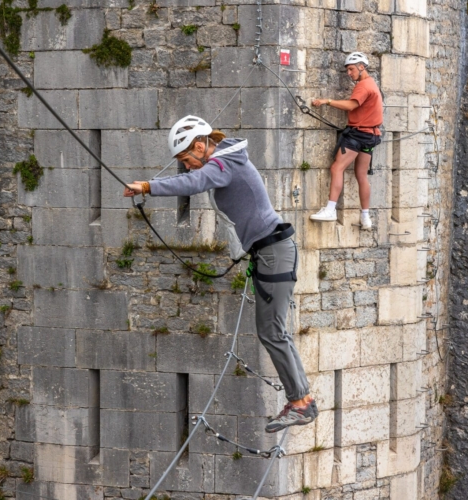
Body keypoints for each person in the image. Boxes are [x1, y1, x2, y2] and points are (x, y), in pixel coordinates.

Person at [124, 115, 317, 433]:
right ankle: (303, 400)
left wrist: (147, 186)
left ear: (200, 147)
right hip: (272, 252)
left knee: (272, 332)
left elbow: (192, 184)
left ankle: (300, 403)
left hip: (273, 253)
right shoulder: (228, 158)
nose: (186, 167)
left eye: (186, 159)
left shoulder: (222, 164)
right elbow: (195, 177)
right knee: (274, 331)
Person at [309, 52, 384, 229]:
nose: (349, 73)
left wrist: (327, 101)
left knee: (337, 167)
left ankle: (330, 209)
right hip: (371, 136)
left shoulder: (363, 86)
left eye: (351, 69)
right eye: (348, 70)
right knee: (361, 175)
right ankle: (366, 217)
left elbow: (351, 105)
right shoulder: (373, 84)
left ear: (361, 67)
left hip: (358, 135)